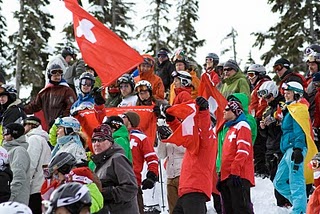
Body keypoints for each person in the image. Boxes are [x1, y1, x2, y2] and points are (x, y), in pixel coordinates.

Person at [158, 97, 215, 214]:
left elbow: (204, 129)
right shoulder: (195, 140)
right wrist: (172, 120)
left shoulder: (208, 139)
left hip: (195, 190)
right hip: (187, 190)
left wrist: (203, 112)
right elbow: (184, 133)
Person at [273, 81, 317, 214]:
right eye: (285, 93)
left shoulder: (299, 109)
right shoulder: (291, 109)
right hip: (287, 150)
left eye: (289, 93)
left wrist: (298, 149)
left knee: (296, 182)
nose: (286, 95)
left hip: (295, 150)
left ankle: (299, 210)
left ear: (296, 94)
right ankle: (303, 206)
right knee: (279, 182)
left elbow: (300, 131)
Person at [91, 124, 139, 213]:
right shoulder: (99, 162)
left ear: (110, 142)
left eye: (101, 140)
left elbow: (130, 188)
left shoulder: (117, 159)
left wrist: (106, 193)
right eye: (94, 140)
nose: (96, 144)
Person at [217, 101, 254, 214]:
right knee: (229, 210)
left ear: (235, 112)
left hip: (238, 176)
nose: (224, 111)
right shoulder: (230, 128)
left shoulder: (242, 126)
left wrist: (235, 171)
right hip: (228, 176)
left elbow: (243, 150)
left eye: (227, 109)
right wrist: (221, 176)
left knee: (241, 209)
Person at [257, 81, 290, 207]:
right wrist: (263, 127)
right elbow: (265, 135)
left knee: (282, 176)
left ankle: (287, 201)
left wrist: (275, 123)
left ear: (275, 93)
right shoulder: (267, 110)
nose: (266, 99)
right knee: (274, 176)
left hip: (282, 145)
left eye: (269, 96)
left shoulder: (283, 105)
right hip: (271, 147)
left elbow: (286, 125)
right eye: (264, 97)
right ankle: (280, 203)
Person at [122, 111, 159, 214]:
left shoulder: (141, 137)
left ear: (130, 120)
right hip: (116, 184)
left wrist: (151, 175)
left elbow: (152, 158)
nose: (121, 119)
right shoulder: (115, 137)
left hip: (133, 182)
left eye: (124, 117)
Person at [24, 63, 76, 131]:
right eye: (54, 74)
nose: (57, 76)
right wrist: (22, 109)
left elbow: (71, 108)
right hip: (50, 127)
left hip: (63, 127)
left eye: (59, 74)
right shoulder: (44, 92)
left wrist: (60, 120)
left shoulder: (67, 90)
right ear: (49, 75)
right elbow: (35, 106)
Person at [23, 116, 51, 214]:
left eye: (24, 125)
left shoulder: (34, 139)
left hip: (35, 187)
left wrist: (25, 184)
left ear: (30, 125)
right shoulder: (43, 139)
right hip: (42, 185)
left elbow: (30, 164)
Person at [2, 123, 30, 205]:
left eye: (6, 133)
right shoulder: (7, 151)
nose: (4, 135)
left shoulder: (19, 151)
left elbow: (18, 176)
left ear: (14, 135)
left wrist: (9, 197)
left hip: (15, 201)